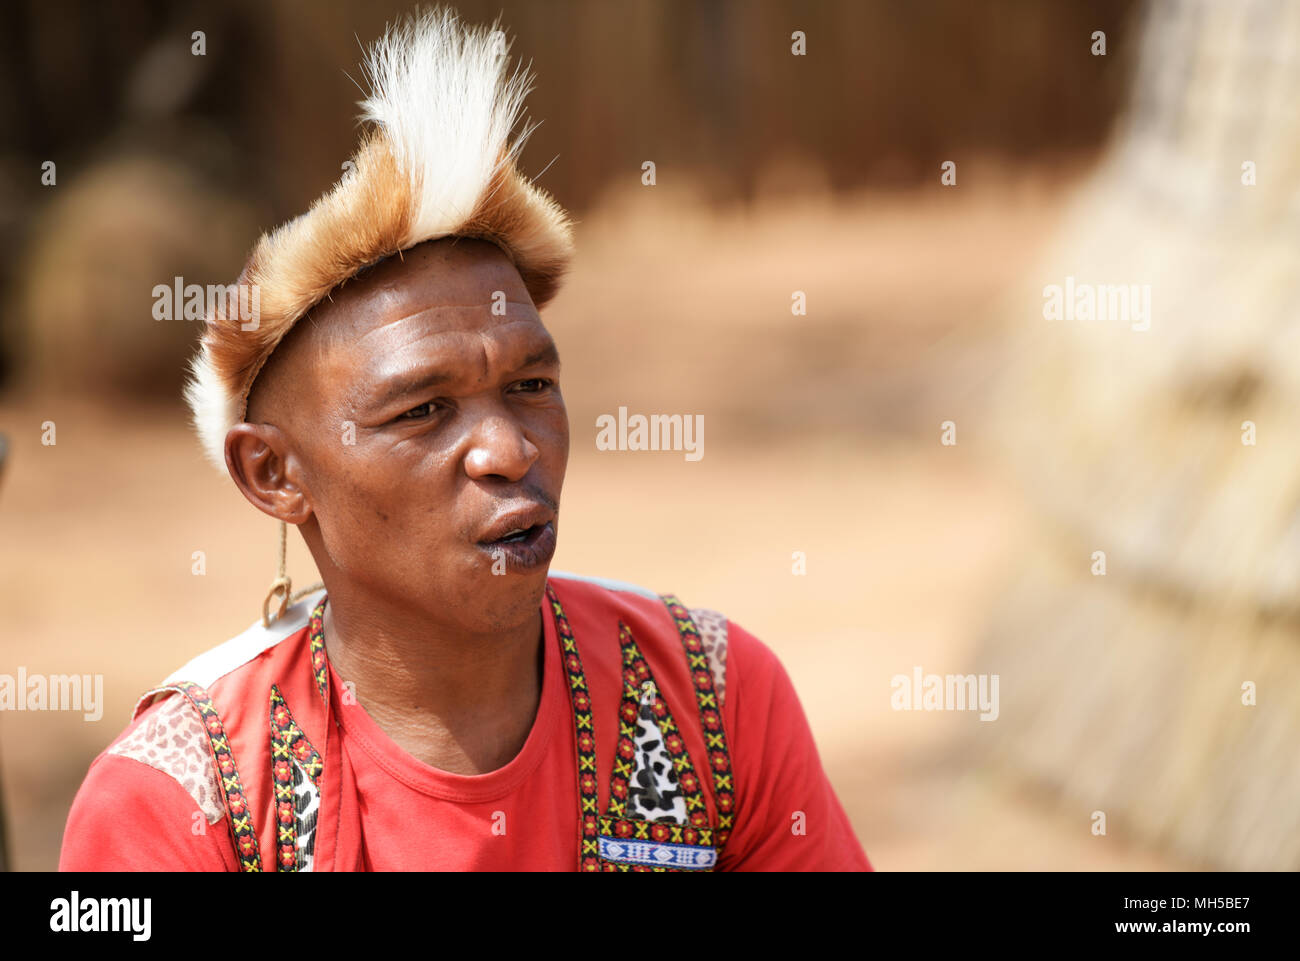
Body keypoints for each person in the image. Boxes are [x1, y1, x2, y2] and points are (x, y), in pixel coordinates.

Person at [58, 6, 871, 872]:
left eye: (530, 387)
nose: (509, 451)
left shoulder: (711, 696)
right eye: (423, 410)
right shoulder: (181, 799)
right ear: (273, 473)